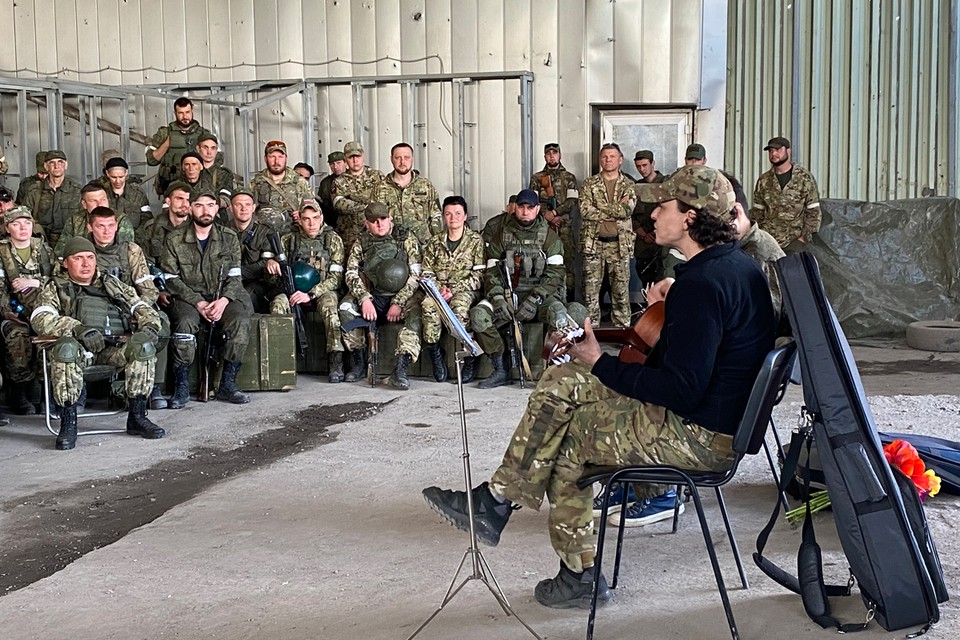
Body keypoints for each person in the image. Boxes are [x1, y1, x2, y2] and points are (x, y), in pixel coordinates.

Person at [422, 166, 776, 609]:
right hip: (714, 421)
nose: (652, 214)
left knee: (569, 444)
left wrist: (600, 363)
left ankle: (574, 572)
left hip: (699, 436)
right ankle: (495, 504)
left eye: (663, 206)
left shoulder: (703, 284)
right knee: (562, 378)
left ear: (690, 217)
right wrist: (603, 357)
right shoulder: (732, 268)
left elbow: (679, 390)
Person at [30, 237, 166, 450]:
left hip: (112, 350)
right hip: (77, 354)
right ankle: (68, 422)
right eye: (78, 258)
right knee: (65, 349)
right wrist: (77, 328)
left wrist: (149, 326)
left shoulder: (111, 284)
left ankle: (137, 417)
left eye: (90, 258)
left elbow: (141, 306)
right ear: (65, 263)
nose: (86, 264)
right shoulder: (55, 287)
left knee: (142, 345)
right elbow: (41, 318)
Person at [470, 188, 585, 389]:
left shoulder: (549, 238)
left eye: (530, 208)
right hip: (508, 296)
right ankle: (500, 369)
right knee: (479, 315)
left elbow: (555, 275)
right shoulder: (500, 237)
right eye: (521, 207)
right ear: (515, 208)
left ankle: (553, 371)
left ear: (537, 209)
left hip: (541, 299)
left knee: (559, 315)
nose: (525, 212)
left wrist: (535, 298)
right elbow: (491, 273)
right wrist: (497, 297)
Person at [160, 190, 252, 407]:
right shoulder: (174, 239)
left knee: (240, 321)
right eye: (199, 205)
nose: (205, 210)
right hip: (188, 298)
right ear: (191, 208)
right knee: (185, 323)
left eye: (211, 205)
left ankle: (228, 384)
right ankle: (181, 387)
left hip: (222, 297)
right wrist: (198, 303)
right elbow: (171, 279)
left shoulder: (228, 237)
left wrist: (223, 301)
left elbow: (236, 277)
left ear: (217, 208)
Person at [86, 205, 170, 410]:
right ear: (90, 227)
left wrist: (138, 310)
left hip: (128, 307)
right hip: (93, 310)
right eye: (100, 226)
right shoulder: (82, 250)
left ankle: (154, 385)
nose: (106, 231)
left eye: (110, 225)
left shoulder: (130, 250)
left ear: (117, 226)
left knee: (162, 324)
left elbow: (148, 290)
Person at [340, 202, 422, 389]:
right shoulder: (362, 241)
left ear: (390, 217)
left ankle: (401, 369)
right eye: (374, 221)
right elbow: (351, 273)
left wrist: (399, 302)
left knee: (417, 314)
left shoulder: (405, 238)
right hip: (373, 295)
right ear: (366, 223)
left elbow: (416, 275)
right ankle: (359, 362)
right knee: (345, 309)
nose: (379, 224)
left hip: (402, 295)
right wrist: (364, 298)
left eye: (383, 219)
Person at [270, 198, 346, 383]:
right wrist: (271, 266)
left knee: (330, 308)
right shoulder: (288, 240)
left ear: (321, 218)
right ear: (300, 220)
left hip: (321, 291)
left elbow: (335, 279)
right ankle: (282, 362)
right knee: (278, 305)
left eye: (315, 217)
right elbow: (273, 279)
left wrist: (311, 294)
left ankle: (336, 362)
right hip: (293, 291)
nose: (311, 223)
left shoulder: (332, 239)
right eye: (306, 219)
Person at [419, 195, 485, 383]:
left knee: (460, 308)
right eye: (448, 214)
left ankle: (470, 357)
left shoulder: (475, 241)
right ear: (443, 217)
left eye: (457, 213)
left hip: (466, 290)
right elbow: (426, 272)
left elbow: (479, 276)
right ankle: (436, 355)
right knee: (428, 306)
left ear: (465, 216)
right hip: (437, 291)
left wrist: (453, 290)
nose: (453, 218)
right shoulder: (435, 242)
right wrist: (439, 290)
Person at [0, 206, 56, 415]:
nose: (23, 228)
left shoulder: (43, 249)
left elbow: (57, 280)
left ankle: (46, 395)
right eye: (16, 224)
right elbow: (0, 287)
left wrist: (32, 281)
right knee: (18, 338)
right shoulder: (2, 252)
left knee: (48, 339)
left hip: (42, 310)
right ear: (8, 228)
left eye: (27, 223)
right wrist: (7, 311)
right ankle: (20, 394)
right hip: (13, 314)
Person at [579, 143, 636, 328]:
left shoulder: (628, 184)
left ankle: (622, 329)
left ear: (620, 160)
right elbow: (585, 210)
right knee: (590, 290)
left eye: (612, 156)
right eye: (604, 156)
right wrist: (614, 210)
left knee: (620, 290)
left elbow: (626, 210)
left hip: (619, 245)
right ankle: (590, 330)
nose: (608, 160)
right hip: (594, 244)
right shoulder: (589, 183)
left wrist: (601, 208)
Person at [751, 136, 821, 252]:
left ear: (788, 151)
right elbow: (757, 212)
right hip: (768, 242)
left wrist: (804, 239)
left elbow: (813, 211)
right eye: (771, 151)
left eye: (778, 150)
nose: (774, 154)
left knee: (791, 270)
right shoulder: (764, 180)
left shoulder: (804, 178)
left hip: (794, 242)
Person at [529, 143, 579, 297]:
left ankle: (568, 300)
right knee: (543, 264)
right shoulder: (537, 178)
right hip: (544, 228)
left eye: (554, 153)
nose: (552, 156)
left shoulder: (569, 177)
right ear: (545, 156)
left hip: (564, 227)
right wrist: (547, 215)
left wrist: (556, 212)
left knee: (567, 264)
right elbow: (533, 202)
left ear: (560, 155)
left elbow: (573, 201)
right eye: (548, 154)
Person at [374, 142, 442, 245]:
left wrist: (436, 243)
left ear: (412, 159)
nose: (402, 162)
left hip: (422, 244)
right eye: (398, 158)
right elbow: (373, 219)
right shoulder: (379, 188)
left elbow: (436, 217)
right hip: (391, 245)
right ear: (391, 159)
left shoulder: (426, 186)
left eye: (406, 157)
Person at [145, 97, 211, 197]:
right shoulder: (165, 133)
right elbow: (151, 160)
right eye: (180, 113)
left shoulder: (203, 133)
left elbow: (217, 159)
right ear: (175, 113)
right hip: (171, 188)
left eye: (187, 112)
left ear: (192, 110)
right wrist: (168, 142)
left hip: (199, 188)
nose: (185, 116)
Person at [228, 188, 278, 313]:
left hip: (256, 284)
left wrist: (237, 273)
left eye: (247, 204)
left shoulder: (265, 232)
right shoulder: (221, 232)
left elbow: (264, 264)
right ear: (230, 208)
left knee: (247, 297)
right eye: (238, 204)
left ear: (253, 207)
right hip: (227, 283)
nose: (243, 208)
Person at [19, 149, 82, 248]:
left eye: (60, 162)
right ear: (45, 166)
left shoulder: (77, 190)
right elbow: (23, 216)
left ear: (66, 165)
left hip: (69, 243)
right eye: (52, 163)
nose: (57, 166)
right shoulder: (35, 190)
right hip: (41, 243)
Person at [55, 182, 135, 257]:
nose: (100, 204)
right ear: (84, 204)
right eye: (94, 201)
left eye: (103, 200)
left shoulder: (120, 219)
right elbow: (62, 251)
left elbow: (126, 251)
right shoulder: (74, 220)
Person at [248, 140, 312, 234]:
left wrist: (302, 214)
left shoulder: (299, 182)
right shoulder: (256, 183)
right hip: (266, 237)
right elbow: (247, 212)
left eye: (280, 157)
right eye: (272, 157)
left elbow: (314, 209)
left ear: (286, 158)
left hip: (294, 236)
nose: (276, 161)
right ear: (265, 159)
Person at [333, 141, 385, 253]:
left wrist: (353, 199)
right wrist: (366, 206)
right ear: (345, 159)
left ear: (363, 156)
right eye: (351, 157)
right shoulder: (339, 181)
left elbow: (384, 200)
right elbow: (339, 204)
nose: (355, 161)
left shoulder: (376, 176)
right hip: (350, 236)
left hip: (376, 233)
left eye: (358, 156)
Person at [631, 150, 667, 284]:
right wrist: (638, 229)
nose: (642, 169)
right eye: (638, 166)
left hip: (660, 240)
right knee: (645, 278)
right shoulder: (636, 186)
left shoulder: (665, 184)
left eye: (645, 165)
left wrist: (653, 232)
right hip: (643, 243)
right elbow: (629, 212)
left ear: (653, 164)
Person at [100, 157, 153, 230]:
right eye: (114, 177)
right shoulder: (101, 193)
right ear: (107, 173)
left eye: (121, 177)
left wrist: (136, 237)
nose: (118, 181)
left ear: (126, 173)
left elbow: (147, 219)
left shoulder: (138, 193)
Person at [195, 133, 237, 220]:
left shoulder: (225, 174)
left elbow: (225, 199)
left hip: (217, 218)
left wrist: (207, 204)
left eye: (213, 148)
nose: (209, 152)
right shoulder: (190, 171)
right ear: (198, 149)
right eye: (205, 147)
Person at [317, 151, 346, 228]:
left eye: (338, 163)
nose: (335, 167)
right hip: (332, 224)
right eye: (332, 164)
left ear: (345, 163)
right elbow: (321, 204)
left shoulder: (354, 180)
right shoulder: (325, 183)